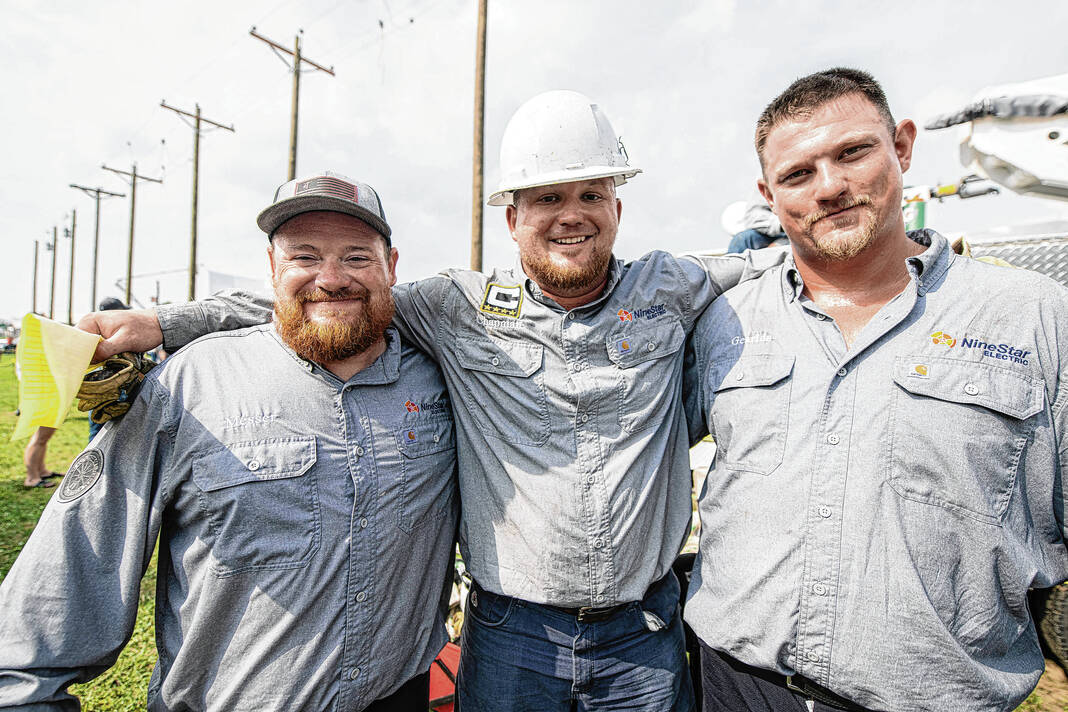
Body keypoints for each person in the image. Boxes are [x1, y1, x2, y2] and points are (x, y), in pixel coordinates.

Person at [77, 92, 782, 711]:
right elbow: (327, 294)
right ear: (512, 218)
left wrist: (894, 247)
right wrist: (166, 324)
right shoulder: (459, 307)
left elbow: (791, 262)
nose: (571, 216)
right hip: (514, 639)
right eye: (547, 198)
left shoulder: (674, 285)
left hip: (645, 637)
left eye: (590, 195)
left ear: (617, 208)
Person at [683, 68, 1068, 712]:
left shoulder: (1032, 317)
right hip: (735, 689)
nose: (830, 186)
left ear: (904, 146)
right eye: (798, 174)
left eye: (853, 153)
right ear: (768, 194)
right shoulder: (725, 323)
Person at [0, 173, 459, 711]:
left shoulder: (441, 377)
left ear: (392, 266)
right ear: (271, 268)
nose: (332, 279)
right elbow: (64, 586)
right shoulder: (188, 385)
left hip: (399, 697)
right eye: (304, 257)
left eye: (357, 257)